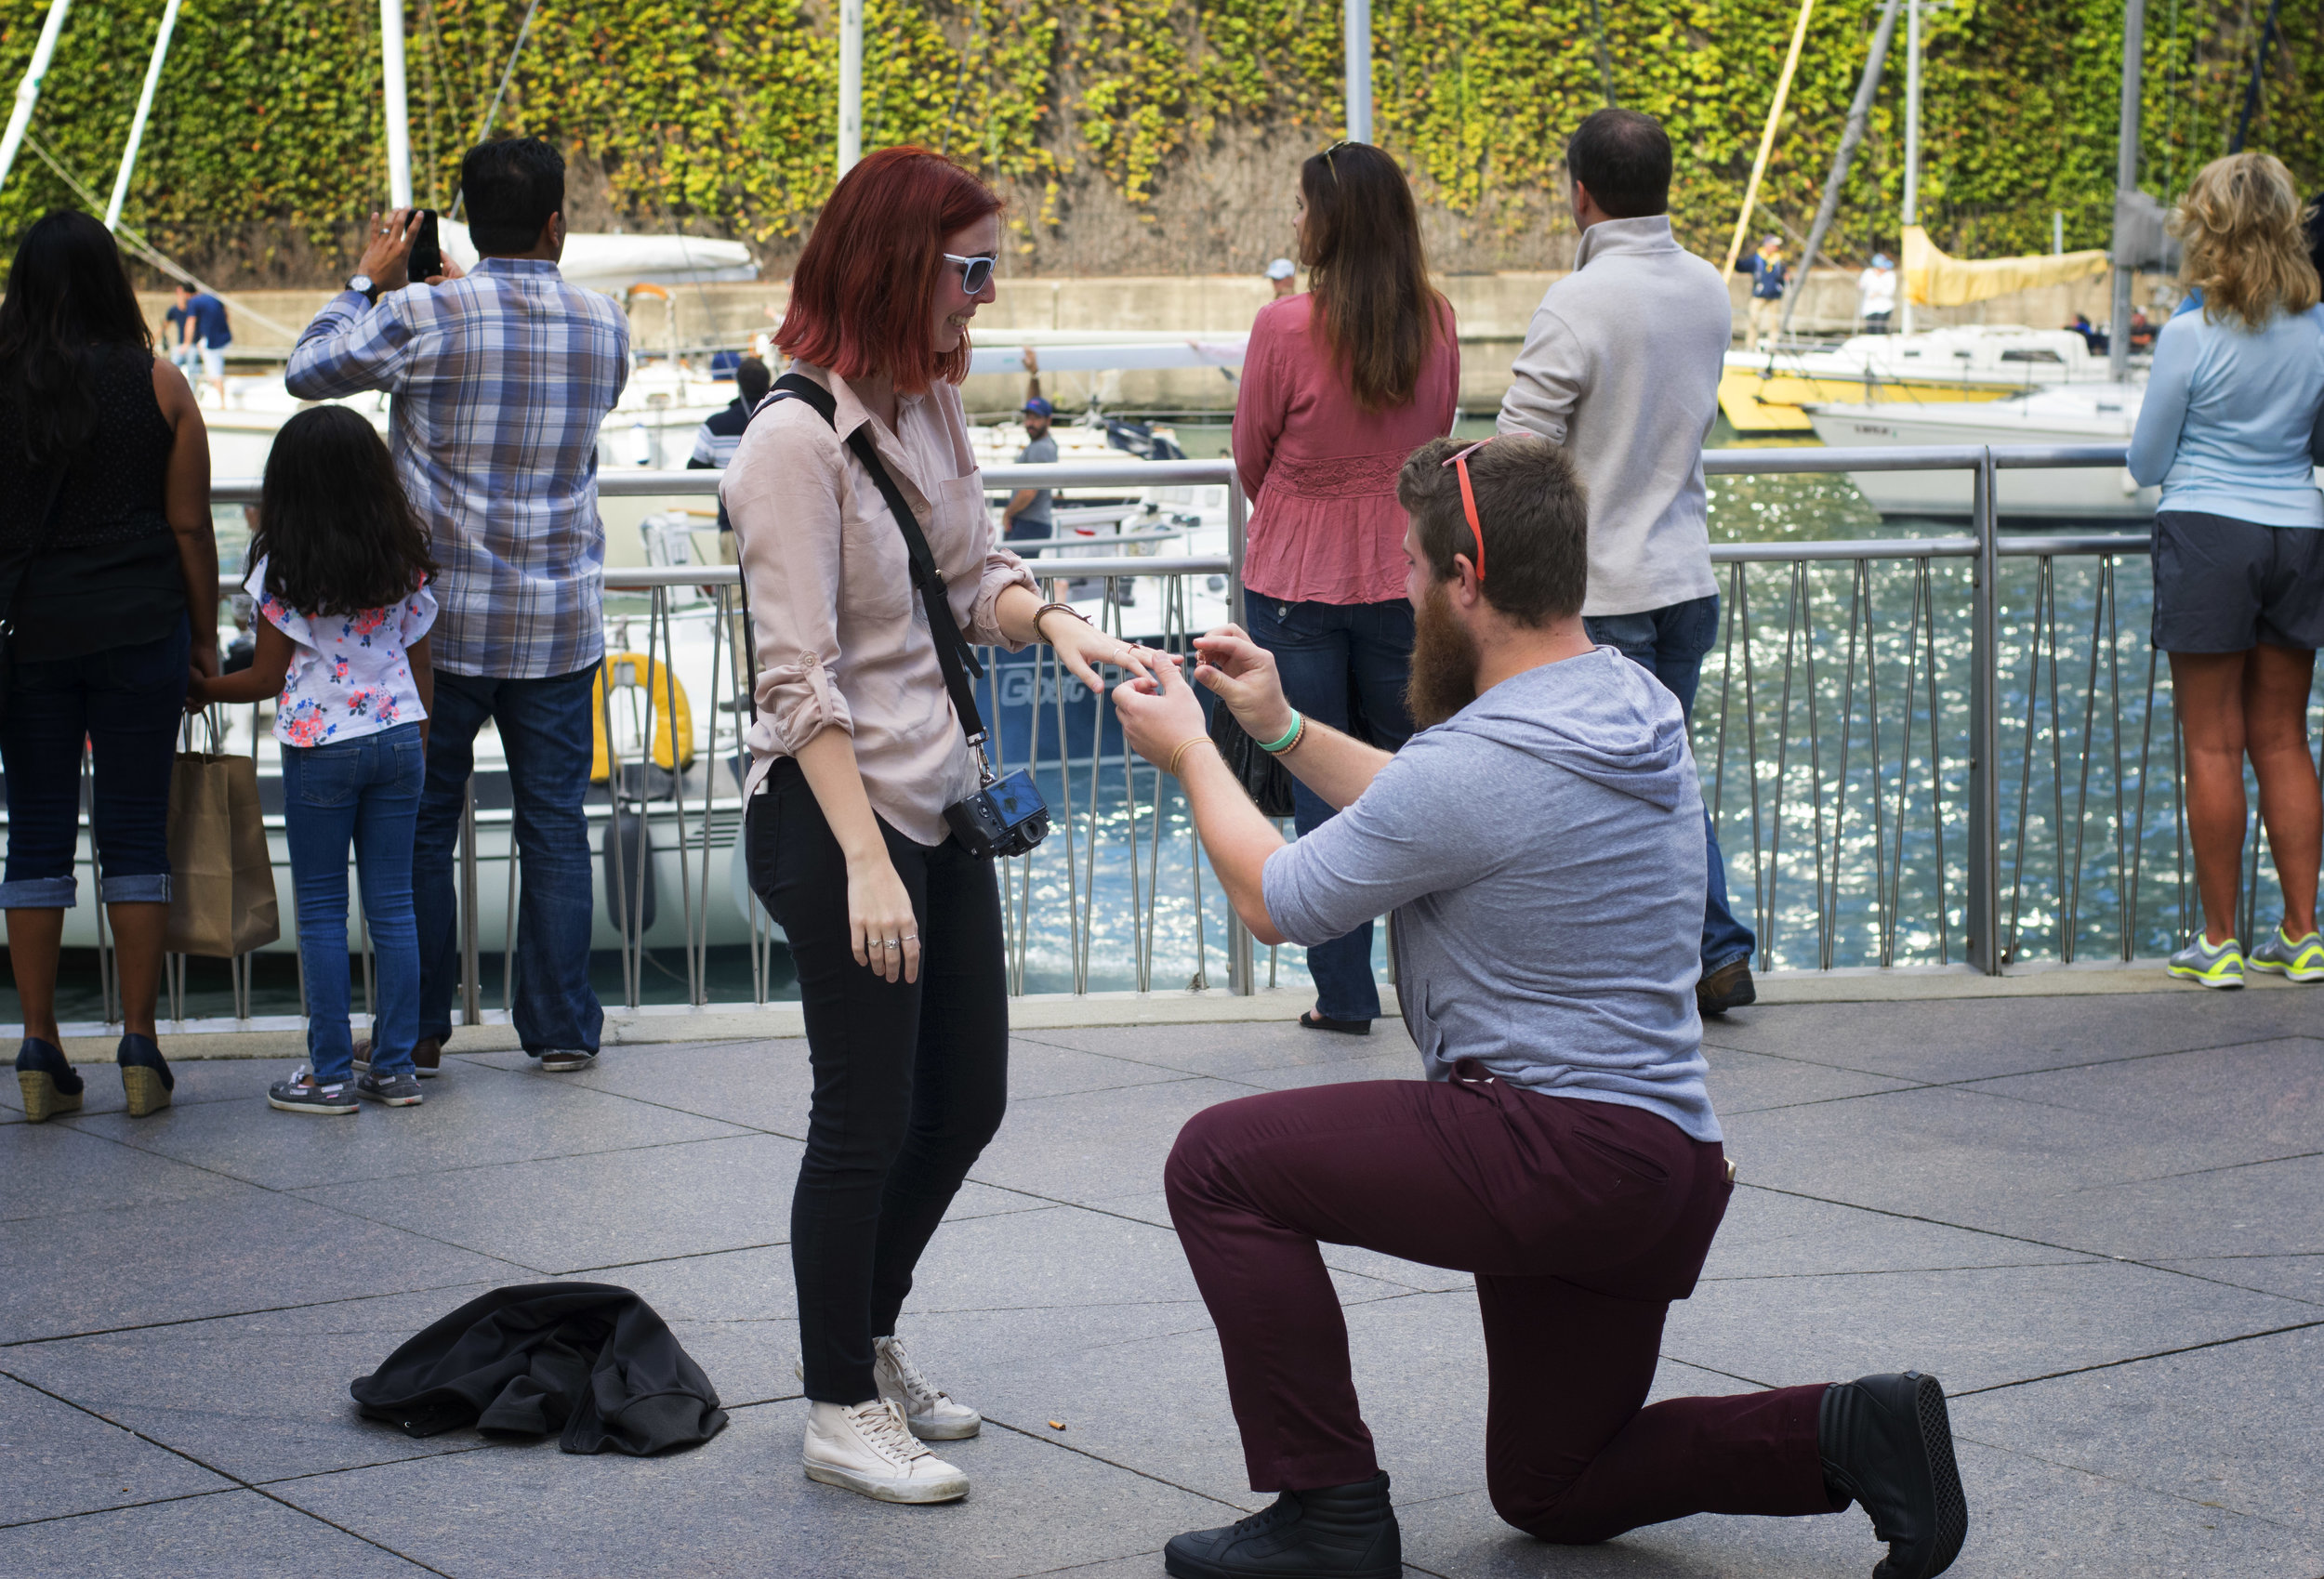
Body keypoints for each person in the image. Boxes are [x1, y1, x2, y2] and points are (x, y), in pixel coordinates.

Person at [1109, 433, 1969, 1579]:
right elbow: (1434, 809)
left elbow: (1284, 900)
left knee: (1217, 1161)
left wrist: (1192, 756)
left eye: (1415, 567)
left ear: (1465, 579)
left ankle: (1328, 1513)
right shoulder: (1627, 700)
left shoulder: (1482, 756)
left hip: (1546, 1150)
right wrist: (1273, 727)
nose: (1404, 591)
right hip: (1661, 1166)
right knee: (1551, 1485)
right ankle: (1847, 1430)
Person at [722, 145, 1154, 1506]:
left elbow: (974, 578)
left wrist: (1061, 623)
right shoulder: (791, 442)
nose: (983, 297)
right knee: (862, 1113)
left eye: (990, 270)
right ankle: (836, 1402)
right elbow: (795, 682)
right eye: (969, 269)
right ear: (902, 265)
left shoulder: (925, 410)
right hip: (838, 813)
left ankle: (873, 1333)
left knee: (965, 1098)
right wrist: (863, 859)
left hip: (938, 798)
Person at [287, 136, 629, 1080]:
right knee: (554, 826)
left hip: (433, 630)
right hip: (559, 623)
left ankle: (418, 1029)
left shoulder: (424, 316)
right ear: (557, 223)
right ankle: (561, 1026)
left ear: (468, 222)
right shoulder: (606, 326)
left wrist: (369, 282)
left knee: (424, 831)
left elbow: (307, 373)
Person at [1500, 107, 1759, 1016]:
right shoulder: (1707, 288)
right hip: (1686, 574)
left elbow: (1517, 450)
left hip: (1600, 588)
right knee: (1665, 778)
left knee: (1600, 793)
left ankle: (1636, 966)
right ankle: (1713, 948)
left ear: (1580, 194)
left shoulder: (1578, 302)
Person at [1234, 139, 1459, 1035]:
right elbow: (1436, 439)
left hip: (1293, 580)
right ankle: (1439, 989)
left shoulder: (1282, 326)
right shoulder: (1435, 319)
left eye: (1302, 206)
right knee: (1416, 782)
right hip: (1405, 577)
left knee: (1314, 776)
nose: (1295, 221)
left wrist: (1304, 508)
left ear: (1331, 221)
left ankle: (1344, 996)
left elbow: (1253, 452)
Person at [2, 212, 219, 1122]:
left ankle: (40, 1047)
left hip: (27, 635)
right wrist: (205, 638)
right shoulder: (159, 384)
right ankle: (139, 1043)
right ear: (110, 281)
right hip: (138, 630)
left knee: (38, 834)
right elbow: (189, 526)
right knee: (134, 834)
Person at [192, 407, 438, 1113]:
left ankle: (329, 1074)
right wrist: (417, 735)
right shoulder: (401, 554)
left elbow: (267, 678)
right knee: (393, 907)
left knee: (326, 911)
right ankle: (394, 1068)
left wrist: (203, 688)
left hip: (319, 746)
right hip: (398, 738)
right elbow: (421, 665)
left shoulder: (285, 565)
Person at [2128, 151, 2324, 989]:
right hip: (2300, 533)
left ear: (2206, 229)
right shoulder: (2318, 331)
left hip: (2210, 529)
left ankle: (2219, 942)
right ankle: (2305, 932)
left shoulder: (2190, 332)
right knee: (2284, 738)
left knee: (2214, 742)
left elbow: (2145, 462)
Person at [688, 353, 773, 532]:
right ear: (768, 383)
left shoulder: (715, 425)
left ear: (739, 385)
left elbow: (694, 470)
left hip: (732, 525)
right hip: (775, 525)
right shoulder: (780, 420)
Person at [1000, 395, 1059, 548]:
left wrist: (1008, 513)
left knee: (1015, 571)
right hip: (1032, 523)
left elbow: (1029, 491)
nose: (1030, 423)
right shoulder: (1046, 444)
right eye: (1028, 417)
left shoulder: (1040, 448)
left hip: (1030, 524)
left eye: (1036, 418)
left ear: (1048, 421)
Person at [165, 280, 231, 405]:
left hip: (213, 343)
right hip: (224, 337)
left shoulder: (193, 302)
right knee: (202, 350)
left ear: (186, 294)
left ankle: (222, 404)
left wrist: (186, 343)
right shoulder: (211, 297)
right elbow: (226, 313)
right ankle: (208, 382)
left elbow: (190, 323)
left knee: (215, 373)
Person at [1744, 233, 1787, 349]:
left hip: (1775, 296)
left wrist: (1786, 277)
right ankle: (1750, 346)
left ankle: (1773, 347)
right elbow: (1743, 266)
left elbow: (1784, 274)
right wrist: (1734, 260)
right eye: (1774, 245)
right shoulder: (1757, 258)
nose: (1776, 248)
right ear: (1767, 245)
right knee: (1754, 321)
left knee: (1774, 324)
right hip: (1759, 295)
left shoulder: (1779, 260)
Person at [1858, 250, 1896, 333]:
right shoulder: (1868, 273)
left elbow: (1890, 290)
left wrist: (1877, 294)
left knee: (1879, 329)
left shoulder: (1890, 275)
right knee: (1870, 329)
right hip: (1870, 307)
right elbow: (1862, 285)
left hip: (1884, 307)